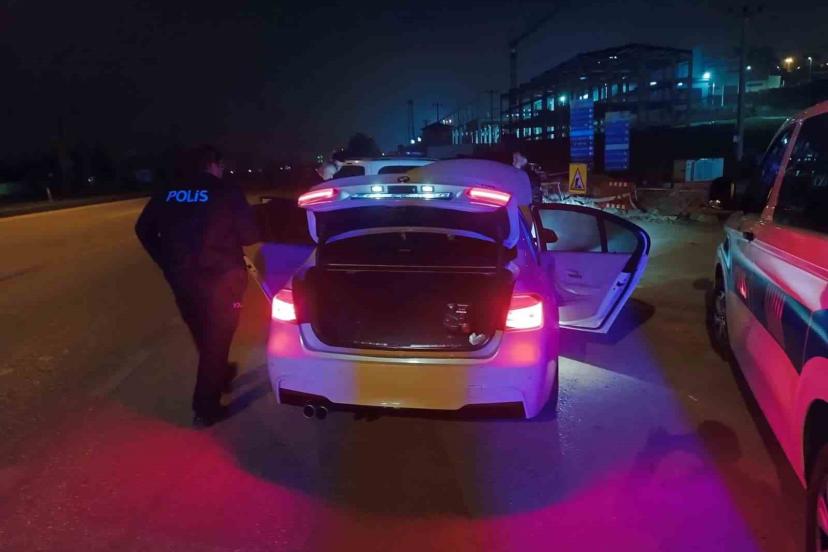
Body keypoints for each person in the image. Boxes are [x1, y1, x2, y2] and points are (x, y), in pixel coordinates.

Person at [135, 145, 259, 427]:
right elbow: (250, 235)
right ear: (212, 164)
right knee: (218, 338)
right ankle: (205, 406)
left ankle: (219, 373)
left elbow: (143, 229)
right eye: (221, 165)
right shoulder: (225, 191)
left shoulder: (168, 191)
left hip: (182, 279)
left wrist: (165, 261)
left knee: (204, 333)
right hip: (223, 278)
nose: (222, 170)